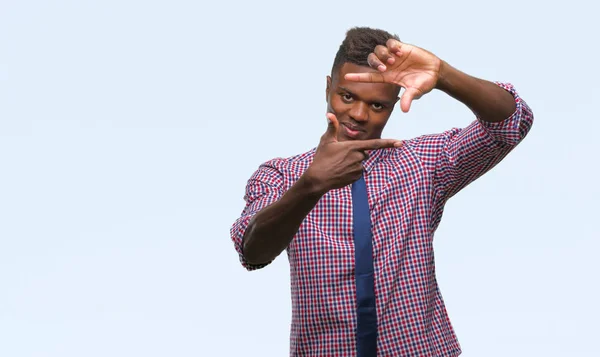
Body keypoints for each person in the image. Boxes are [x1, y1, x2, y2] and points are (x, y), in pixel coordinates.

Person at [229, 27, 534, 357]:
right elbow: (252, 251)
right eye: (347, 96)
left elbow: (511, 123)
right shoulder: (281, 176)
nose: (359, 115)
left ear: (393, 104)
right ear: (328, 88)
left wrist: (444, 75)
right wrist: (310, 186)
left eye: (377, 105)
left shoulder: (421, 163)